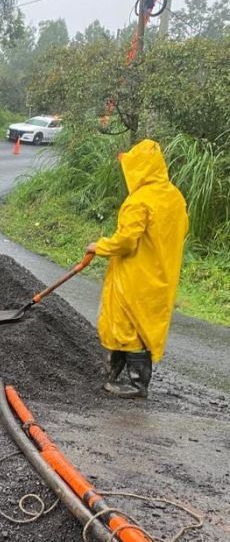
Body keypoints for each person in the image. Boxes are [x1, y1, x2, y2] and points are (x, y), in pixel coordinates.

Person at [85, 139, 188, 399]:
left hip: (135, 275)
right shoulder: (174, 196)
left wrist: (99, 246)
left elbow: (127, 241)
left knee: (126, 325)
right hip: (161, 273)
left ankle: (136, 385)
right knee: (143, 325)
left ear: (140, 168)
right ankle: (112, 374)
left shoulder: (139, 201)